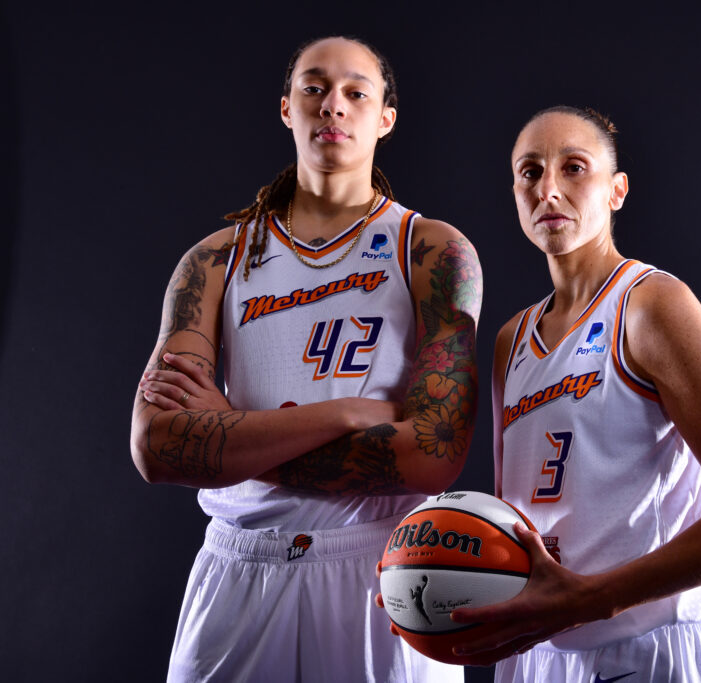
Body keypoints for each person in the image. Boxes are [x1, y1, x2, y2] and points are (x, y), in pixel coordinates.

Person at [129, 35, 481, 682]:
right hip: (240, 569)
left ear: (385, 118)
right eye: (313, 88)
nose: (333, 106)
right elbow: (160, 447)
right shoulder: (213, 260)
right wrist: (349, 412)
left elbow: (432, 456)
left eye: (356, 92)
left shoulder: (432, 250)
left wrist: (234, 437)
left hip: (383, 572)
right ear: (287, 108)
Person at [447, 106, 701, 681]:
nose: (550, 189)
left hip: (642, 644)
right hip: (535, 643)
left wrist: (590, 600)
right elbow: (514, 521)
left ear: (617, 191)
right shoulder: (511, 339)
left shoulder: (650, 303)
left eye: (574, 167)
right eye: (530, 172)